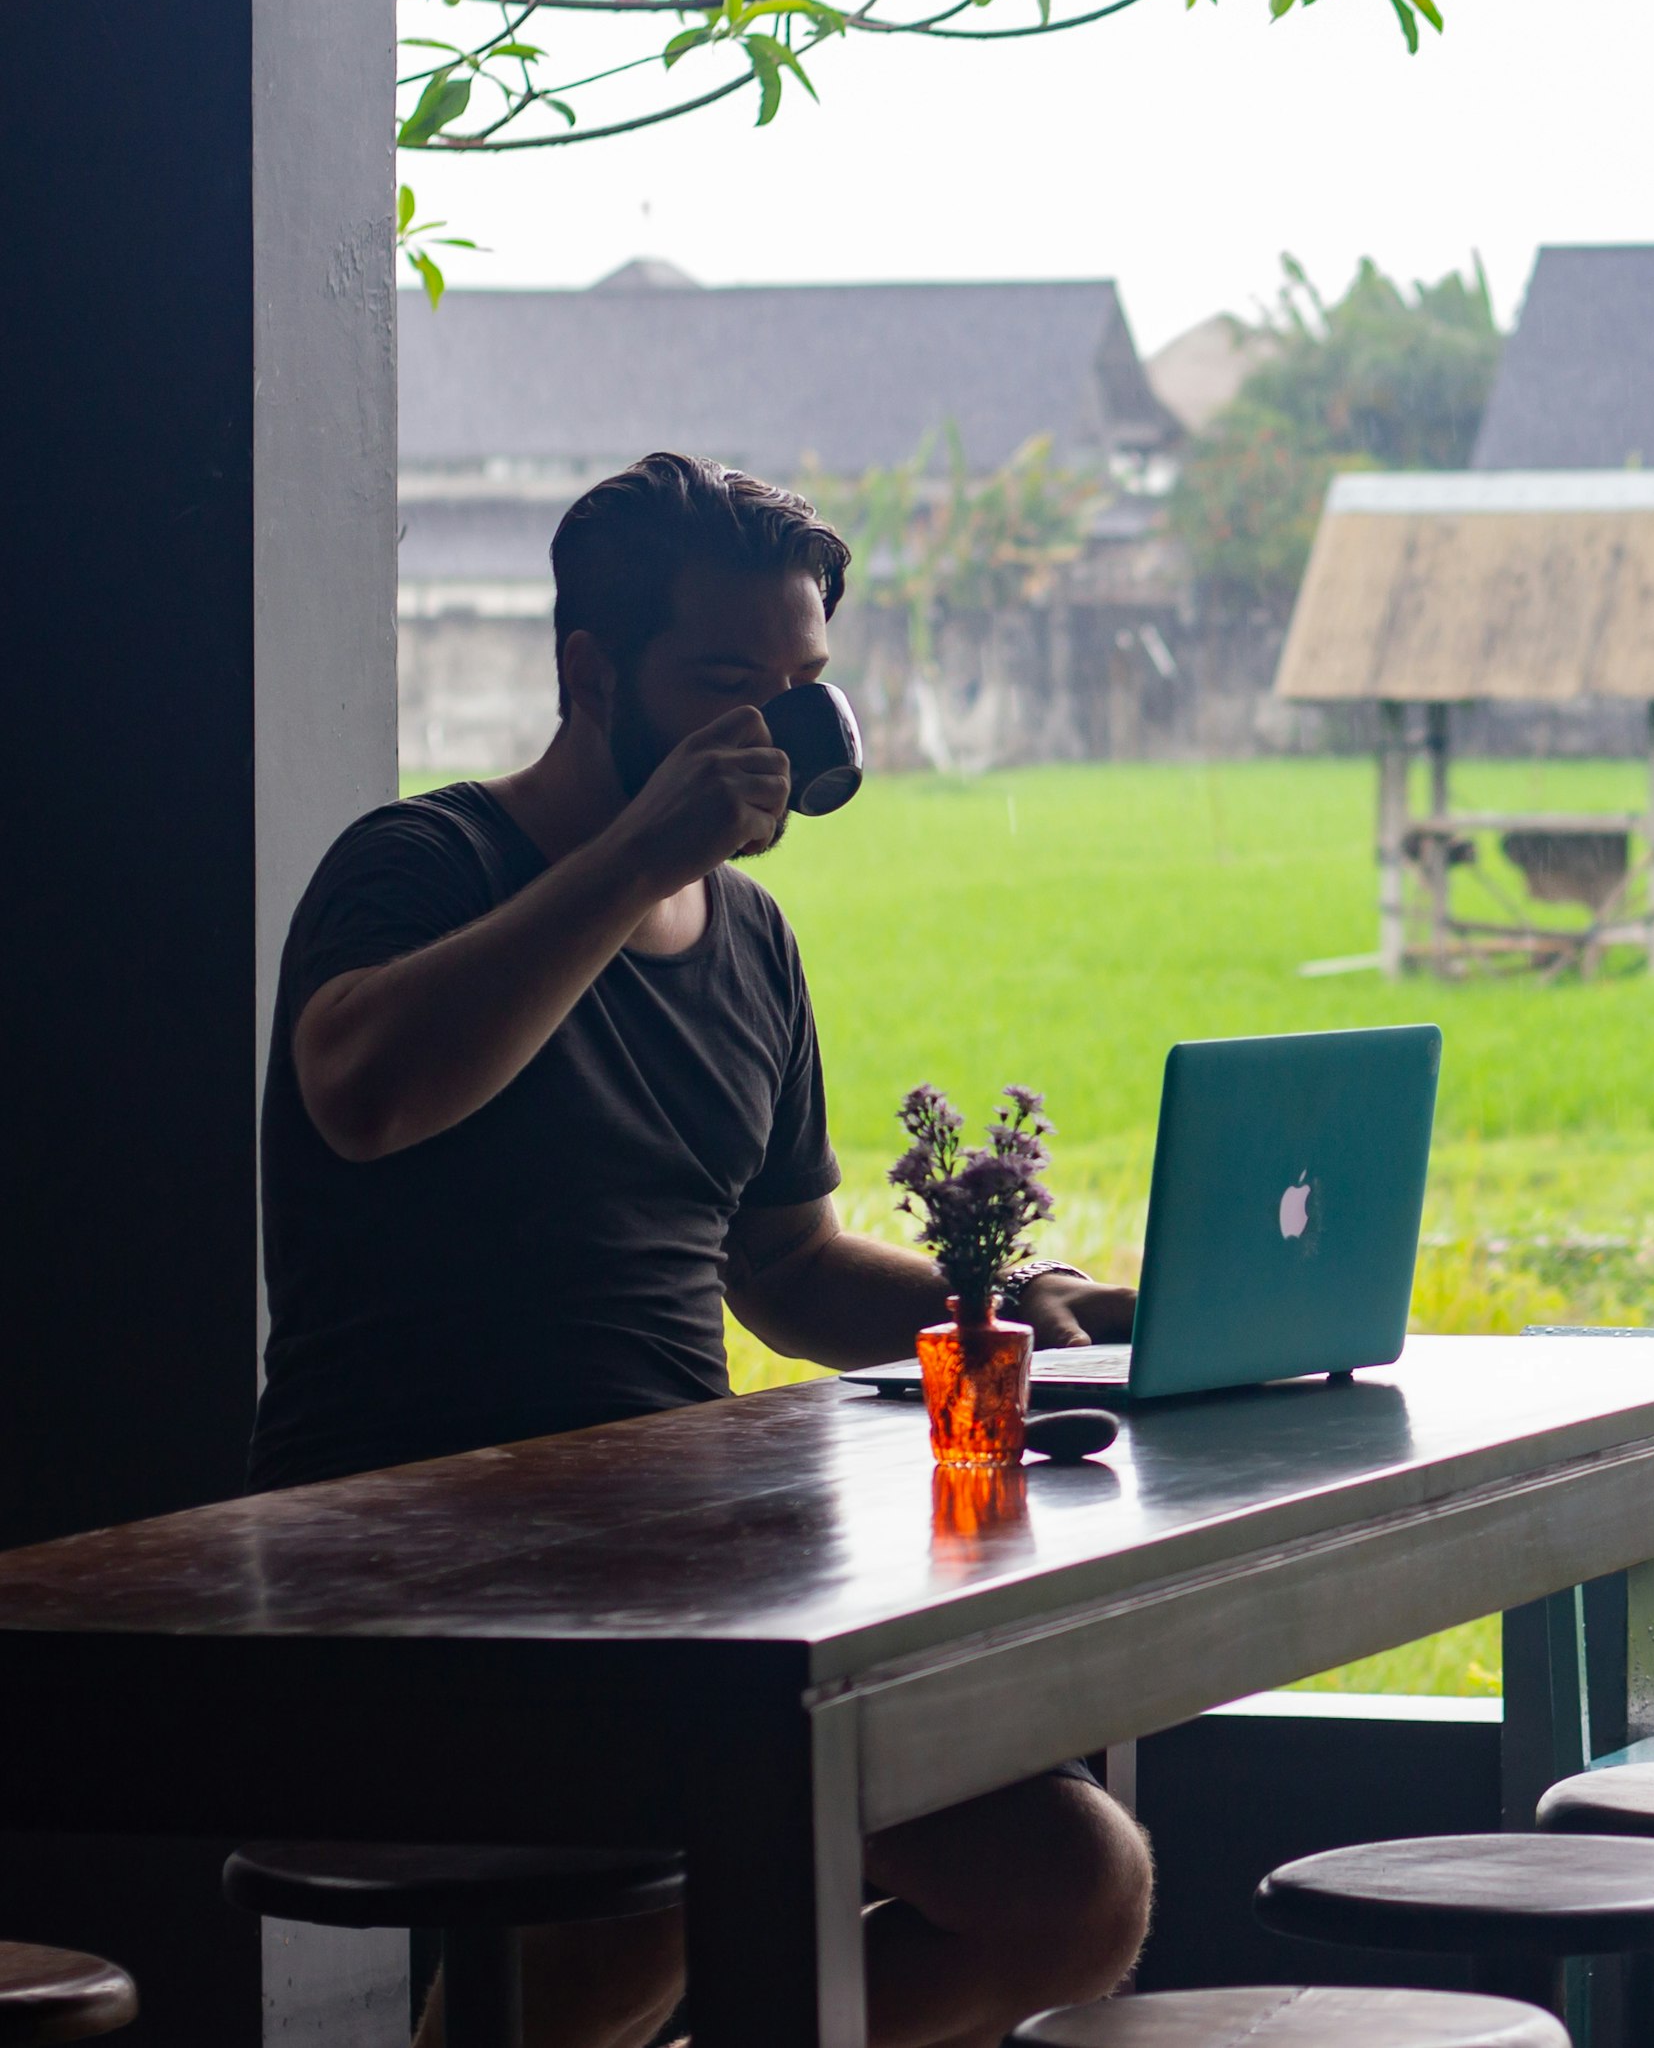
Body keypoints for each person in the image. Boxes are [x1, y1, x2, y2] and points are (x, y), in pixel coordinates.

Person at [255, 451, 1151, 2048]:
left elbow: (789, 1267)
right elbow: (365, 1094)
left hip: (677, 1581)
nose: (783, 730)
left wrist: (999, 1304)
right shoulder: (426, 865)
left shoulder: (749, 943)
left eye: (803, 684)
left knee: (1068, 1882)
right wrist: (632, 862)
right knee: (690, 1852)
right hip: (417, 1590)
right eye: (728, 683)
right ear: (589, 674)